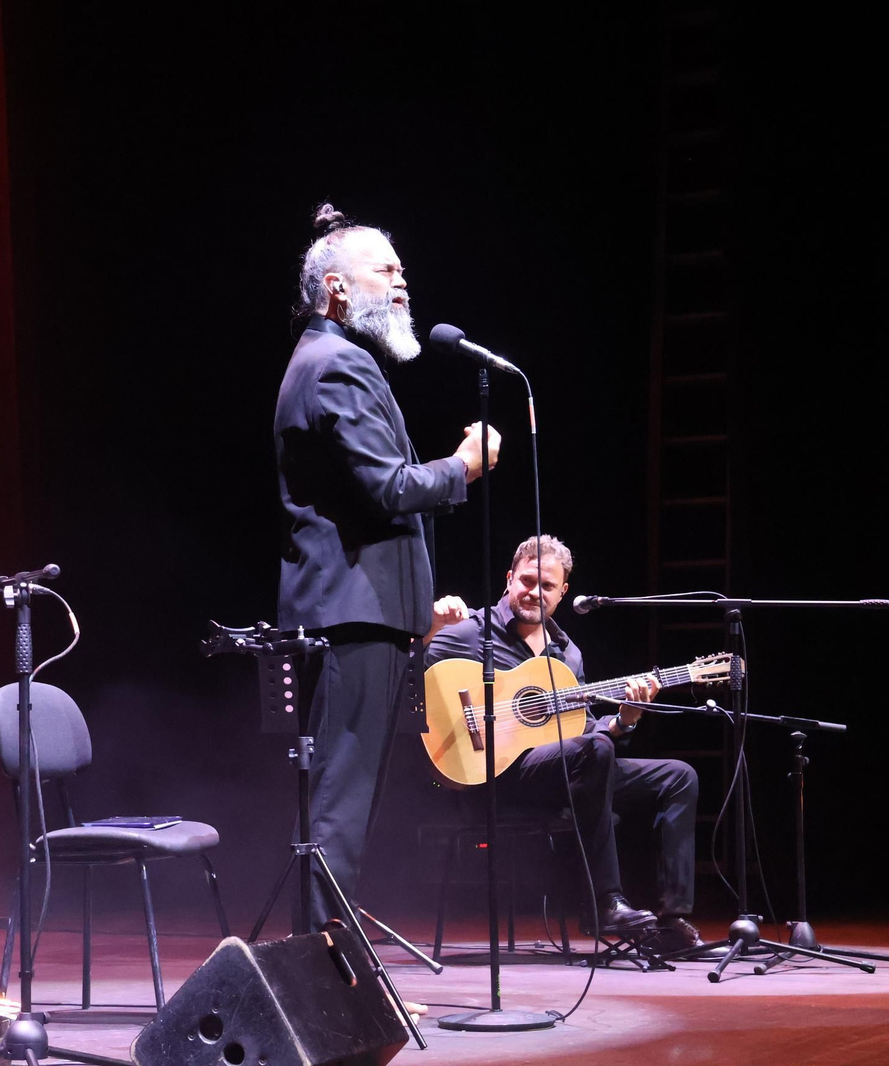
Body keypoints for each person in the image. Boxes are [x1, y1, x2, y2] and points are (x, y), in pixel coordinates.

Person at [275, 203, 500, 929]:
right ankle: (321, 969)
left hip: (367, 614)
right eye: (386, 268)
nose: (403, 280)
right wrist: (463, 466)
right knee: (341, 804)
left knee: (348, 800)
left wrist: (416, 605)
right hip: (351, 618)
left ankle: (329, 960)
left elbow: (364, 502)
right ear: (336, 288)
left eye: (403, 268)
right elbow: (391, 489)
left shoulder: (329, 359)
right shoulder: (336, 362)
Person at [425, 534, 707, 952]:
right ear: (509, 578)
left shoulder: (566, 654)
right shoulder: (473, 631)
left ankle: (672, 921)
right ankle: (604, 902)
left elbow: (583, 731)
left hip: (561, 772)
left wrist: (623, 722)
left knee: (677, 776)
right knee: (595, 754)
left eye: (547, 586)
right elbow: (408, 673)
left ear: (563, 593)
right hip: (495, 774)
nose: (534, 592)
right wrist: (431, 627)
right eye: (526, 580)